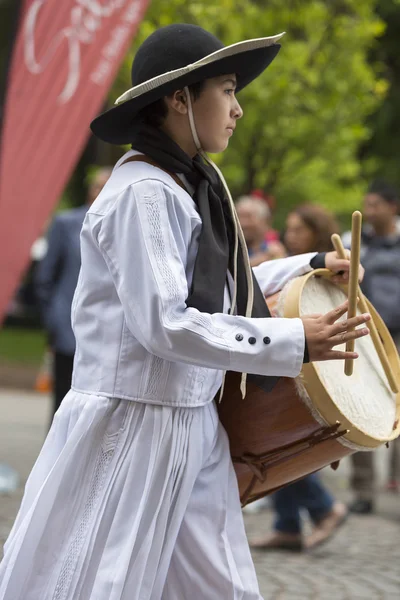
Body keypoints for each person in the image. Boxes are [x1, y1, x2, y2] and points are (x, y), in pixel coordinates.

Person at [0, 24, 370, 600]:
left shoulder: (187, 185)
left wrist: (313, 264)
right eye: (226, 90)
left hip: (192, 419)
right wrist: (294, 340)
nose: (238, 109)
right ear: (178, 99)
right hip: (132, 425)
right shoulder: (143, 194)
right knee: (103, 583)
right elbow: (165, 323)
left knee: (220, 585)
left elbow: (223, 287)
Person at [249, 204, 347, 552]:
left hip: (305, 358)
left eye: (298, 229)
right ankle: (287, 526)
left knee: (281, 442)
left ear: (315, 233)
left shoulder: (326, 272)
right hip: (282, 353)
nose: (290, 235)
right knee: (277, 443)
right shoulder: (287, 259)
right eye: (287, 228)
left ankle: (324, 508)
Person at [34, 168, 112, 419]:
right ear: (90, 190)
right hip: (68, 331)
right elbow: (44, 278)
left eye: (108, 186)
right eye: (98, 186)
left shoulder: (123, 227)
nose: (102, 192)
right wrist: (54, 319)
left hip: (106, 336)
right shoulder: (65, 223)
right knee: (63, 403)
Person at [343, 180, 400, 513]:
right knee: (361, 406)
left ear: (393, 207)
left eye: (376, 204)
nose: (370, 210)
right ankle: (363, 491)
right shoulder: (354, 241)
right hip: (366, 336)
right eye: (368, 204)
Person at [236, 195, 286, 266]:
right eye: (239, 217)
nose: (243, 223)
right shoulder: (230, 250)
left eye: (249, 217)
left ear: (264, 221)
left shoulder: (274, 250)